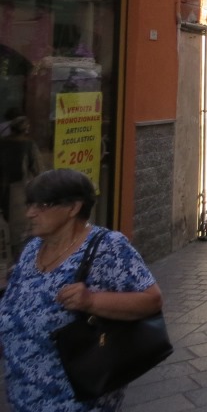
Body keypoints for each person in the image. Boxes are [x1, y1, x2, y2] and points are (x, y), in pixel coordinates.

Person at [0, 169, 163, 411]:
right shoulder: (32, 248)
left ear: (73, 208)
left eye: (42, 205)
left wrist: (91, 301)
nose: (30, 213)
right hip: (22, 393)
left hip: (75, 398)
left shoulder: (107, 246)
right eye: (30, 204)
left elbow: (152, 300)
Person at [0, 115, 41, 263]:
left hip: (3, 188)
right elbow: (37, 169)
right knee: (19, 232)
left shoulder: (2, 143)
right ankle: (18, 261)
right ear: (26, 129)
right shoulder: (28, 144)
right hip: (18, 189)